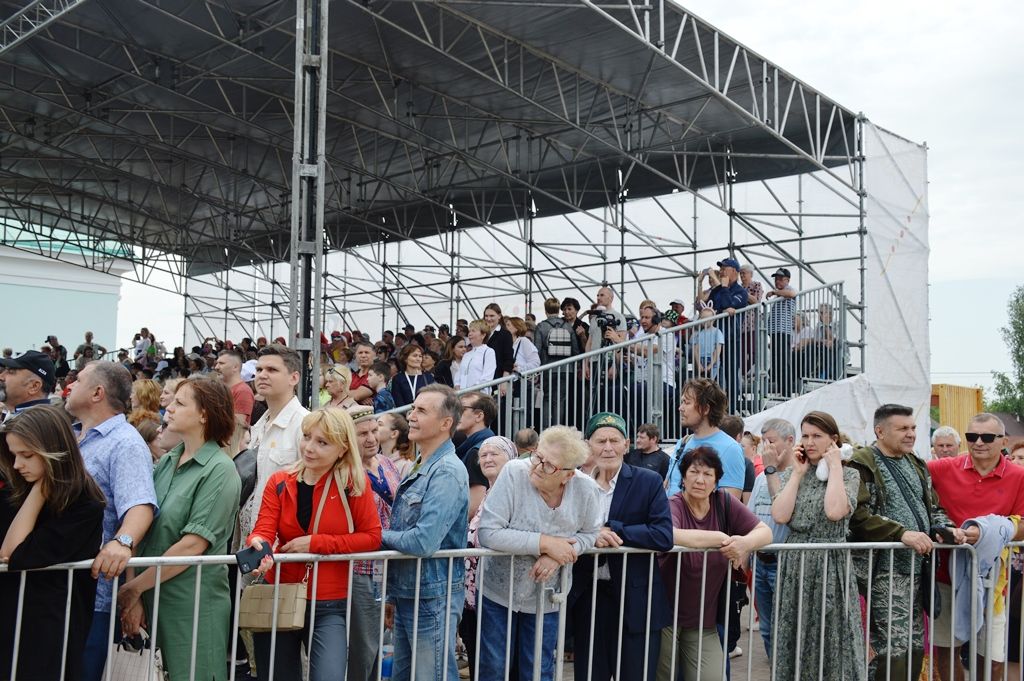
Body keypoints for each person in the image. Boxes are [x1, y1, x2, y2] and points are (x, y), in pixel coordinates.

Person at [117, 378, 241, 681]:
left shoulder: (220, 470)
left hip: (192, 605)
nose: (167, 408)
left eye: (180, 403)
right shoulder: (168, 461)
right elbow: (140, 526)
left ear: (204, 415)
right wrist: (136, 592)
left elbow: (192, 545)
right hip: (150, 597)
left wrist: (134, 588)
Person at [246, 407, 382, 681]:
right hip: (279, 594)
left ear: (342, 448)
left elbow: (372, 537)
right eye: (307, 436)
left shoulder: (354, 483)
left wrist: (317, 544)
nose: (309, 447)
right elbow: (263, 529)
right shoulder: (279, 481)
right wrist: (258, 544)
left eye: (322, 442)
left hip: (330, 602)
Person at [478, 428, 602, 681]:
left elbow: (590, 534)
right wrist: (545, 544)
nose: (536, 466)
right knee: (494, 667)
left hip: (548, 597)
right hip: (499, 592)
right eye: (537, 457)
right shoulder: (514, 472)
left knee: (538, 669)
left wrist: (558, 554)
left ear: (568, 474)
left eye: (549, 466)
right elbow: (489, 532)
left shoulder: (586, 489)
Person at [847, 404, 958, 681]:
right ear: (880, 431)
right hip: (884, 570)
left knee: (914, 648)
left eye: (912, 428)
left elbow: (933, 507)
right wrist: (900, 534)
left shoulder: (916, 463)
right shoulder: (862, 462)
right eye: (903, 429)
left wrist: (946, 528)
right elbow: (857, 515)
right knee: (894, 650)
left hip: (916, 570)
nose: (910, 434)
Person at [64, 361, 158, 681]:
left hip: (91, 596)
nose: (68, 385)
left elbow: (140, 504)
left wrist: (122, 542)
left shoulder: (125, 443)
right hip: (61, 589)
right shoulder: (73, 435)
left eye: (77, 380)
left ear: (97, 392)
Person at [0, 406, 105, 681]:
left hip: (50, 627)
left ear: (53, 452)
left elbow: (11, 553)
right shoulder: (16, 490)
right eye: (13, 455)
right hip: (12, 619)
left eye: (26, 455)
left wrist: (41, 490)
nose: (17, 465)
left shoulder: (84, 505)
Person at [570, 412, 674, 681]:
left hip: (637, 600)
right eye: (600, 440)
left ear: (626, 445)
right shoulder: (574, 484)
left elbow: (663, 535)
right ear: (588, 445)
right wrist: (591, 536)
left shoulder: (647, 481)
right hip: (588, 597)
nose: (608, 448)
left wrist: (615, 530)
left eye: (614, 440)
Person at [658, 446, 770, 681]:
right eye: (693, 472)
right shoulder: (674, 504)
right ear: (683, 476)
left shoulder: (724, 502)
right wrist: (722, 539)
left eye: (708, 474)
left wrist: (745, 543)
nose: (700, 480)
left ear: (717, 480)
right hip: (665, 617)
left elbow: (765, 532)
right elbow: (670, 534)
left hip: (703, 619)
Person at [381, 384, 469, 681]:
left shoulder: (446, 471)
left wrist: (374, 535)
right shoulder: (423, 465)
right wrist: (393, 595)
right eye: (412, 408)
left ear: (446, 424)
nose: (412, 415)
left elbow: (423, 540)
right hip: (411, 591)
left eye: (421, 410)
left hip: (432, 596)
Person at [771, 411, 866, 681]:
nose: (810, 442)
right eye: (806, 435)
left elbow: (835, 511)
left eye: (817, 436)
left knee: (833, 634)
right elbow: (780, 515)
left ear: (833, 440)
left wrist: (835, 466)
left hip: (830, 564)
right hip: (796, 565)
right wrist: (797, 474)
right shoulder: (794, 471)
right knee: (795, 631)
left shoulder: (849, 475)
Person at [928, 412, 1024, 681]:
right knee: (947, 654)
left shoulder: (1019, 476)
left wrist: (985, 531)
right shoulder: (944, 468)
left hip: (994, 581)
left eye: (987, 437)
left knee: (991, 660)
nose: (978, 442)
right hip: (946, 578)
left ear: (1003, 440)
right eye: (972, 436)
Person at [348, 408, 401, 681]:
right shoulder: (343, 468)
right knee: (364, 646)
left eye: (373, 431)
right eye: (362, 434)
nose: (370, 438)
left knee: (384, 641)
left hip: (391, 565)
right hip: (361, 567)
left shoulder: (386, 463)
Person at [462, 435, 518, 680]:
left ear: (511, 458)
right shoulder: (488, 492)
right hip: (473, 595)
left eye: (495, 453)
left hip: (498, 592)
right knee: (478, 659)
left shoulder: (515, 493)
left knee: (497, 663)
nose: (487, 458)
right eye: (483, 455)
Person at [241, 344, 309, 540]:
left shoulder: (304, 425)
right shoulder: (259, 425)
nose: (262, 375)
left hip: (280, 543)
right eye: (259, 370)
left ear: (293, 378)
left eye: (272, 370)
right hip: (250, 540)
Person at [746, 418, 797, 657]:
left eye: (772, 442)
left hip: (785, 562)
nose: (767, 448)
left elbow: (783, 515)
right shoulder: (759, 480)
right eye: (764, 441)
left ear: (790, 441)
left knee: (786, 626)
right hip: (760, 562)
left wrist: (770, 470)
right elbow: (752, 517)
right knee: (766, 628)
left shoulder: (798, 476)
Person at [669, 379, 745, 498]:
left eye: (686, 402)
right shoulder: (683, 443)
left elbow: (728, 508)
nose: (680, 408)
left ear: (705, 409)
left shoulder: (731, 449)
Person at [697, 258, 747, 410]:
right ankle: (713, 408)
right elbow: (706, 307)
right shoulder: (718, 290)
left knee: (731, 374)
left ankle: (732, 408)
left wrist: (724, 287)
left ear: (734, 272)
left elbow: (728, 304)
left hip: (731, 338)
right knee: (713, 375)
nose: (722, 271)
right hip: (714, 339)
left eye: (726, 268)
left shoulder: (741, 292)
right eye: (722, 268)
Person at [534, 297, 583, 427]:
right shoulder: (567, 326)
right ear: (558, 309)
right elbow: (575, 350)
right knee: (560, 400)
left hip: (548, 368)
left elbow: (537, 350)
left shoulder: (541, 326)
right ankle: (558, 429)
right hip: (566, 370)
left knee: (547, 399)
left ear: (546, 310)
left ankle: (545, 430)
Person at [456, 391, 497, 519]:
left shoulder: (478, 452)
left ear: (479, 416)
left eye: (461, 409)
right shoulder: (490, 444)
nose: (455, 414)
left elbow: (473, 508)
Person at [764, 268, 797, 394]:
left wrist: (774, 292)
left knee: (783, 362)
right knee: (777, 362)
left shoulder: (788, 290)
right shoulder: (780, 295)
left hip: (783, 332)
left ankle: (786, 391)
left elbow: (793, 294)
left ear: (787, 280)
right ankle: (781, 390)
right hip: (776, 333)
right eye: (776, 279)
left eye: (780, 279)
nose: (777, 281)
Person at [215, 348, 255, 428]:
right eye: (217, 363)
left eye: (221, 363)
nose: (216, 367)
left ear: (235, 367)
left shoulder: (243, 391)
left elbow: (238, 426)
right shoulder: (221, 389)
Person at [484, 303, 515, 403]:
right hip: (483, 379)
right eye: (486, 316)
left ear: (499, 316)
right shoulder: (482, 333)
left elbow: (508, 359)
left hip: (497, 379)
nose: (488, 319)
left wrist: (504, 381)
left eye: (492, 316)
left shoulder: (505, 334)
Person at [391, 344, 436, 408]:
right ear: (405, 358)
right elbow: (398, 402)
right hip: (406, 415)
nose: (418, 359)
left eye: (420, 356)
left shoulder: (428, 377)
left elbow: (433, 399)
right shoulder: (398, 379)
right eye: (415, 356)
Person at [457, 320, 497, 392]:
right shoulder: (466, 354)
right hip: (463, 395)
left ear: (483, 335)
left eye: (473, 331)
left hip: (479, 396)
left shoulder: (488, 352)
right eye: (470, 331)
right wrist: (457, 386)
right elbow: (459, 373)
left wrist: (472, 390)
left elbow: (487, 377)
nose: (470, 334)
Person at [738, 264, 764, 376]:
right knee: (741, 353)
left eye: (744, 273)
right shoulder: (738, 287)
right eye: (741, 273)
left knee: (752, 351)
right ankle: (743, 375)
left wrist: (743, 293)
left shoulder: (756, 285)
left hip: (752, 324)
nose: (742, 275)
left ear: (751, 274)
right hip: (739, 325)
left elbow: (756, 300)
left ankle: (751, 374)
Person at [690, 307, 724, 381]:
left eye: (708, 318)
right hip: (701, 359)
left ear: (713, 319)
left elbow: (717, 350)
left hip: (712, 360)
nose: (705, 320)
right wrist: (699, 364)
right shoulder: (698, 333)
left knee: (711, 382)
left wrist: (711, 365)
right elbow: (695, 349)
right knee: (701, 382)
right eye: (703, 318)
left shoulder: (717, 332)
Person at [378, 412, 415, 479]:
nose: (375, 428)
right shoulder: (373, 461)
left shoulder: (406, 466)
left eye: (380, 424)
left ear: (394, 434)